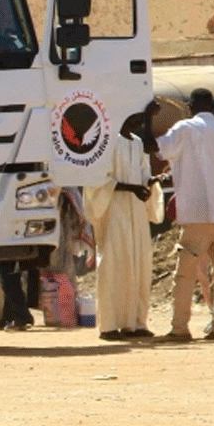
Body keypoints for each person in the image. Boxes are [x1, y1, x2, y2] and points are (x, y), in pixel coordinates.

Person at [143, 90, 214, 342]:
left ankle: (180, 327)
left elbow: (153, 147)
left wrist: (147, 119)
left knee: (186, 271)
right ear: (211, 105)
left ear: (190, 106)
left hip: (197, 212)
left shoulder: (184, 128)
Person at [84, 113, 156, 340]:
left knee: (138, 264)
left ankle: (135, 322)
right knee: (114, 264)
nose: (139, 123)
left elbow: (144, 174)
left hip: (136, 211)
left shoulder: (137, 143)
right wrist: (129, 188)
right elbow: (96, 180)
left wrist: (152, 182)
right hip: (113, 210)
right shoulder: (106, 141)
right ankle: (109, 325)